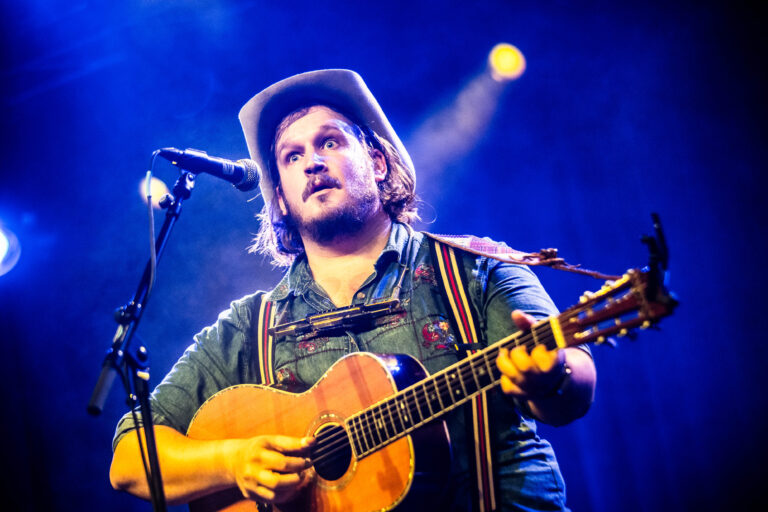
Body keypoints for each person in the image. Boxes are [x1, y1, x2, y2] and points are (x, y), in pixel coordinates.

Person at [110, 69, 596, 511]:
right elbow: (131, 461)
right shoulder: (247, 328)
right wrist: (237, 460)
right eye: (292, 156)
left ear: (378, 162)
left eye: (331, 143)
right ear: (279, 195)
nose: (312, 163)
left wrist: (549, 377)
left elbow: (572, 389)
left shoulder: (475, 268)